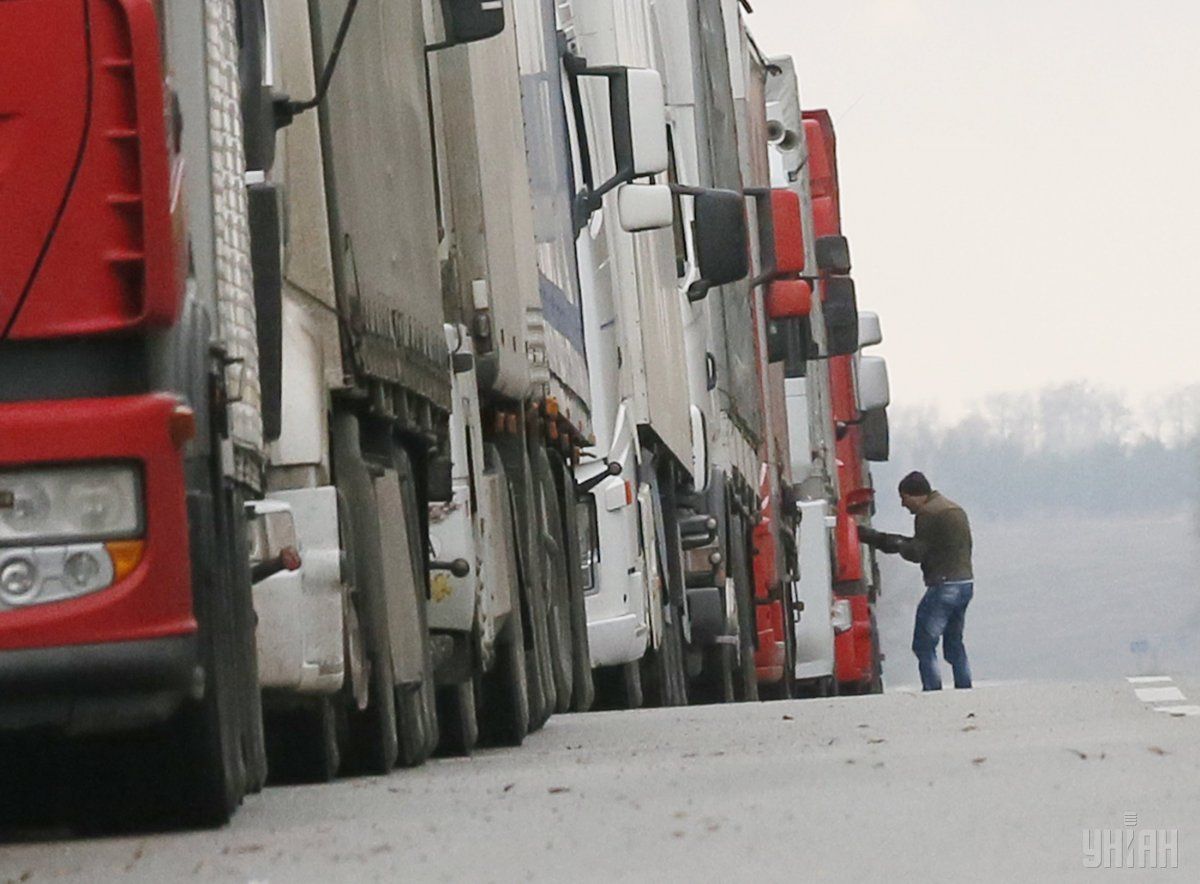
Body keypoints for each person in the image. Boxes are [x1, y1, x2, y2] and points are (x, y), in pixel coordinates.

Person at [859, 471, 974, 691]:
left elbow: (917, 552)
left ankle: (932, 689)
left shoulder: (928, 514)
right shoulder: (954, 509)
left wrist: (887, 542)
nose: (904, 505)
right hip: (965, 582)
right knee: (954, 642)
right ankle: (964, 687)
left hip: (943, 585)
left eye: (904, 498)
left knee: (923, 643)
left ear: (916, 495)